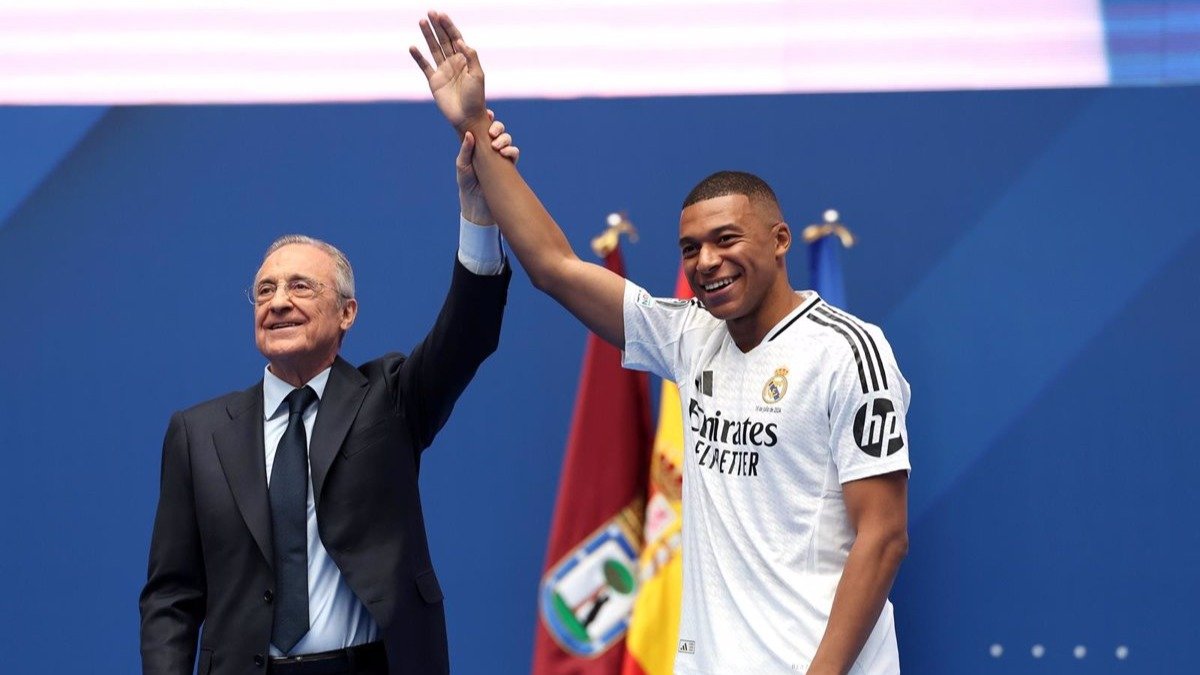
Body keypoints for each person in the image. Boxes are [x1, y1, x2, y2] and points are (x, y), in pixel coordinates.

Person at [410, 13, 910, 675]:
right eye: (690, 248)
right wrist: (471, 123)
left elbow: (883, 536)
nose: (706, 261)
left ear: (780, 240)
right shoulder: (687, 335)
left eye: (726, 239)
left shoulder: (849, 351)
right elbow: (554, 267)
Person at [139, 116, 520, 675]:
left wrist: (479, 211)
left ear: (347, 313)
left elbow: (468, 332)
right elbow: (171, 597)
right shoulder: (198, 435)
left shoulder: (388, 400)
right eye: (265, 290)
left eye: (301, 286)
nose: (277, 301)